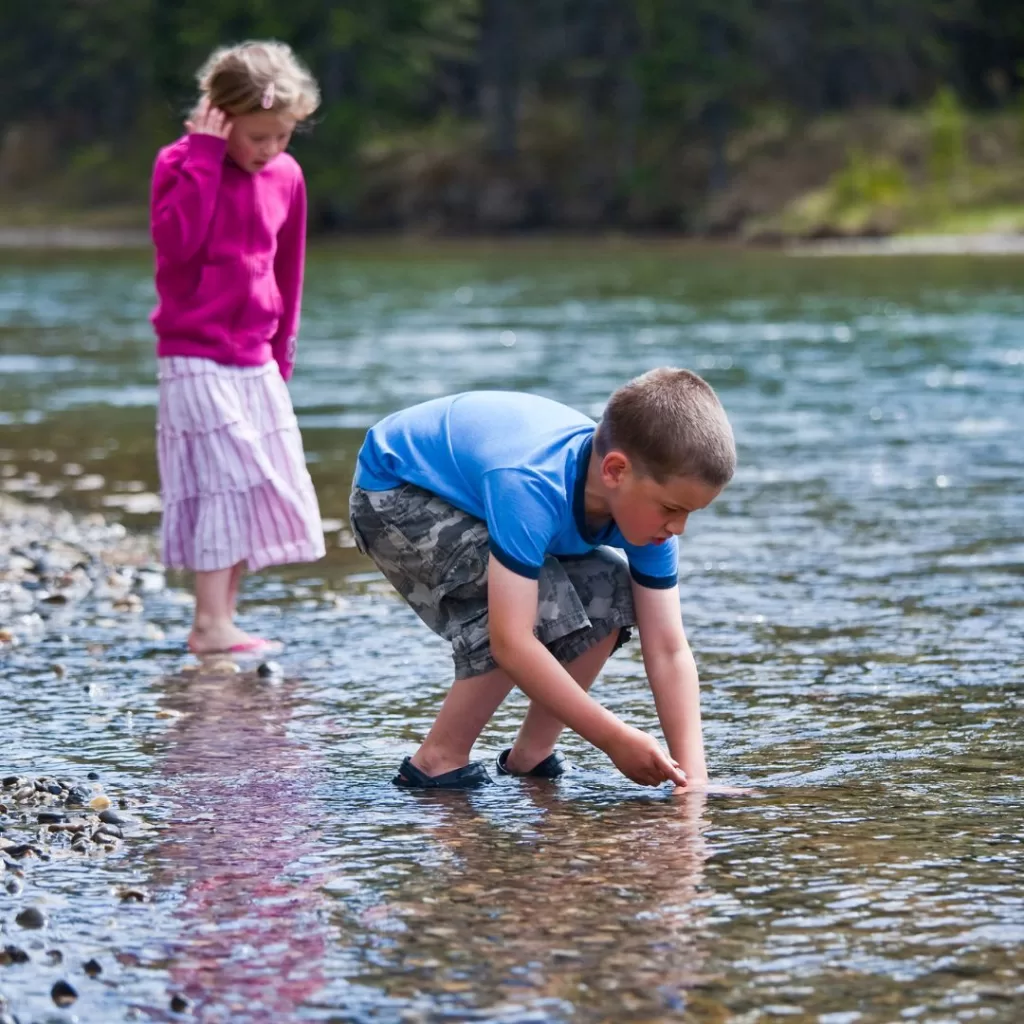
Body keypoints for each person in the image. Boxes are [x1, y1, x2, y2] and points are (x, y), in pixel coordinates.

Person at [348, 368, 737, 790]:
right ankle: (438, 759)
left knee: (611, 587)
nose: (678, 528)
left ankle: (530, 755)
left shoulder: (648, 511)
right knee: (536, 600)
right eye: (672, 509)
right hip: (396, 492)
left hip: (478, 491)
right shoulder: (530, 484)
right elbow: (511, 642)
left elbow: (668, 649)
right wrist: (612, 738)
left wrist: (694, 781)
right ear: (615, 471)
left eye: (688, 514)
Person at [150, 41, 326, 656]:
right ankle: (208, 623)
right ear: (219, 117)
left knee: (262, 482)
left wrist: (283, 356)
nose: (270, 149)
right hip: (192, 355)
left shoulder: (287, 176)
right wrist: (202, 157)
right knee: (226, 475)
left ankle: (222, 618)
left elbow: (289, 273)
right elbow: (177, 245)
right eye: (256, 137)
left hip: (256, 360)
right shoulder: (180, 163)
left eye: (281, 136)